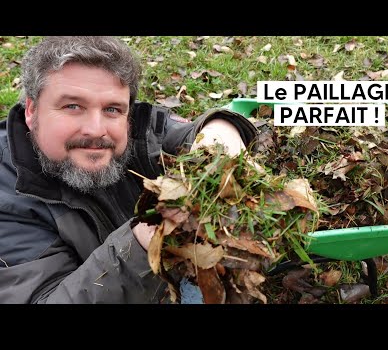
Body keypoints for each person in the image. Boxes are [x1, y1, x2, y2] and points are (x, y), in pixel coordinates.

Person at [0, 36, 258, 303]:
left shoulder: (133, 131)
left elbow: (180, 133)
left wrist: (224, 128)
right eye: (73, 106)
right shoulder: (6, 198)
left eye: (112, 109)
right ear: (32, 111)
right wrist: (146, 236)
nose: (96, 130)